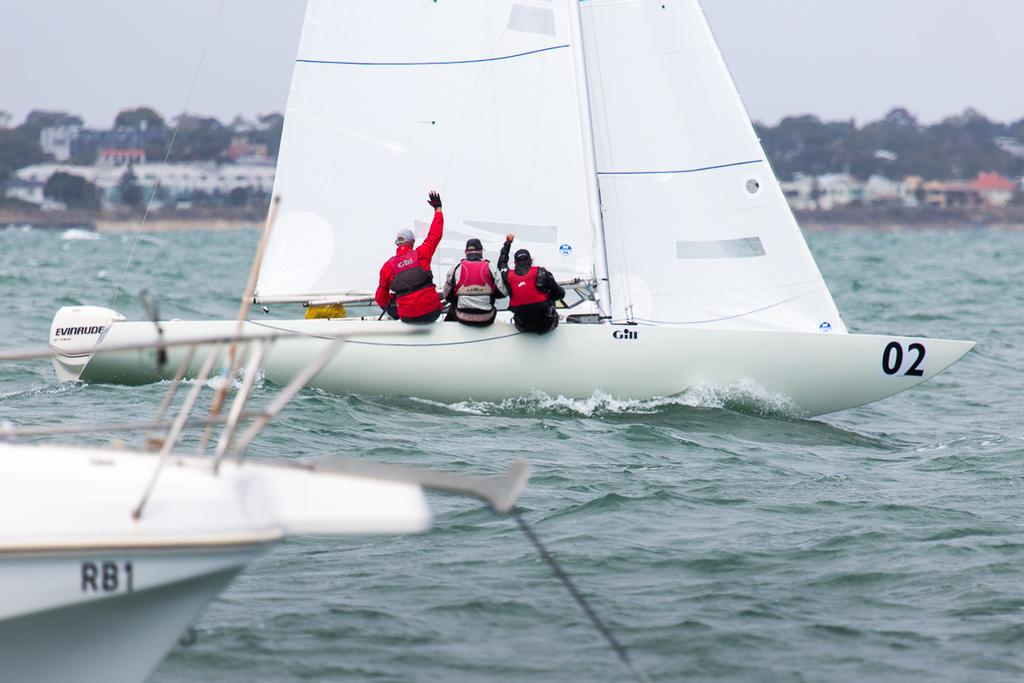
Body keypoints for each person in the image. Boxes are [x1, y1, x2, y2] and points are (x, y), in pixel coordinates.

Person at [375, 191, 444, 323]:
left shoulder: (387, 267)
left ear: (397, 243)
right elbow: (435, 234)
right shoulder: (421, 253)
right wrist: (438, 210)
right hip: (432, 312)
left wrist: (393, 298)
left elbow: (380, 299)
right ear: (412, 242)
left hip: (408, 317)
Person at [498, 233, 565, 334]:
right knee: (549, 299)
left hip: (522, 327)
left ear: (515, 263)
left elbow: (502, 264)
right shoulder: (541, 272)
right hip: (547, 325)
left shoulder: (508, 276)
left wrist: (508, 244)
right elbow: (560, 294)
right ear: (530, 260)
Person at [442, 238, 508, 326]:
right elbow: (503, 293)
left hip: (462, 317)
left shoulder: (456, 268)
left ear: (465, 252)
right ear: (481, 251)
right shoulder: (490, 267)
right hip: (486, 318)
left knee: (453, 307)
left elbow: (446, 295)